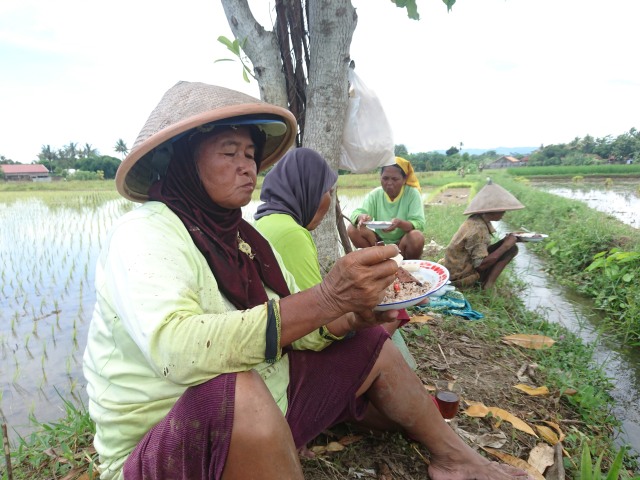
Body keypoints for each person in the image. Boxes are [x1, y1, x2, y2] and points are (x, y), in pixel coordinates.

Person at [83, 81, 531, 480]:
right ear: (181, 160)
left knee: (366, 343)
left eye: (251, 155)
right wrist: (328, 296)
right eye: (229, 152)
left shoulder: (246, 239)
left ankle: (455, 458)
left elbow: (293, 323)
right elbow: (177, 350)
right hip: (169, 443)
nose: (248, 167)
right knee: (238, 388)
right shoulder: (145, 233)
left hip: (265, 410)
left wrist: (349, 316)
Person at [254, 148, 416, 370]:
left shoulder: (264, 221)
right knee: (394, 311)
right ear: (307, 189)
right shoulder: (290, 233)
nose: (329, 201)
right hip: (299, 351)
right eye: (327, 191)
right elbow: (316, 317)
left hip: (282, 335)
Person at [441, 179, 525, 290]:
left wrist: (505, 240)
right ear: (491, 211)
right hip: (460, 277)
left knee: (511, 247)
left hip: (459, 267)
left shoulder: (477, 220)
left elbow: (481, 250)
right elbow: (480, 266)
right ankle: (487, 285)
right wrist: (505, 246)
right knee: (510, 249)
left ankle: (487, 283)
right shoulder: (477, 230)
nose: (504, 213)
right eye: (501, 210)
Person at [348, 157, 426, 259]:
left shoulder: (412, 194)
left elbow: (419, 224)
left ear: (404, 180)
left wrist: (400, 224)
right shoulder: (375, 195)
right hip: (379, 243)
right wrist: (361, 217)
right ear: (380, 177)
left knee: (417, 237)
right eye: (385, 178)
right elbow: (357, 212)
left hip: (402, 243)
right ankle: (374, 262)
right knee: (352, 229)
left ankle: (406, 267)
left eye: (395, 179)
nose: (389, 183)